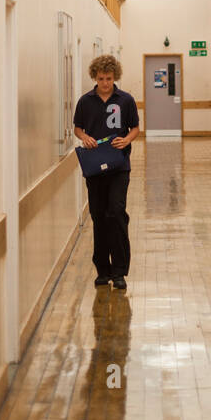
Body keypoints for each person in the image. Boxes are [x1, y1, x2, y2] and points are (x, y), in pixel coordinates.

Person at [73, 55, 139, 290]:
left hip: (119, 166)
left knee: (116, 212)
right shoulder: (85, 102)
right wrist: (85, 137)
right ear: (95, 77)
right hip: (94, 168)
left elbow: (135, 128)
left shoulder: (126, 100)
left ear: (115, 77)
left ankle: (120, 271)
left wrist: (126, 139)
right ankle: (103, 269)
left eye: (109, 79)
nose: (105, 83)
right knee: (99, 215)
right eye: (101, 79)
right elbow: (78, 128)